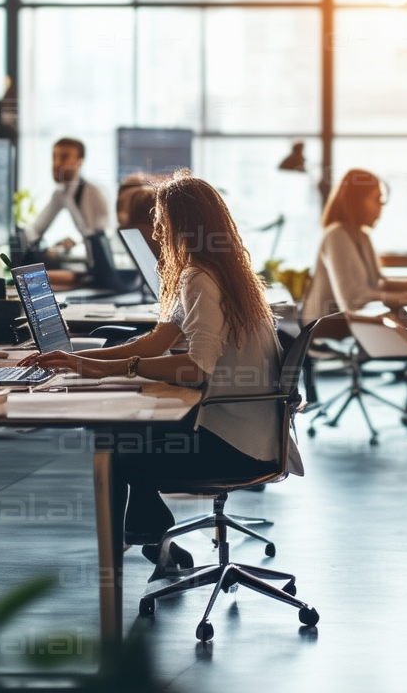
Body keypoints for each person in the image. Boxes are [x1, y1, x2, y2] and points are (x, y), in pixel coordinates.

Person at [20, 172, 296, 562]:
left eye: (162, 220)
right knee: (127, 432)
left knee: (118, 449)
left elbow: (197, 368)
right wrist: (78, 362)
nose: (157, 230)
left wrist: (123, 368)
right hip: (253, 429)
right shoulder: (218, 270)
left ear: (181, 224)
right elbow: (154, 343)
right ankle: (151, 534)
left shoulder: (200, 277)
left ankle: (132, 547)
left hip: (236, 443)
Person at [301, 168, 407, 323]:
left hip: (347, 329)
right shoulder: (336, 235)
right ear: (356, 200)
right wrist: (406, 297)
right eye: (376, 199)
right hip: (323, 334)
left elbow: (378, 282)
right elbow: (354, 300)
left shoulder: (362, 235)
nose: (381, 207)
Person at [25, 137, 111, 257]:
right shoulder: (61, 193)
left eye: (64, 157)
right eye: (54, 157)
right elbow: (36, 229)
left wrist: (76, 241)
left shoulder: (93, 193)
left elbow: (103, 237)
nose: (57, 163)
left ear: (79, 162)